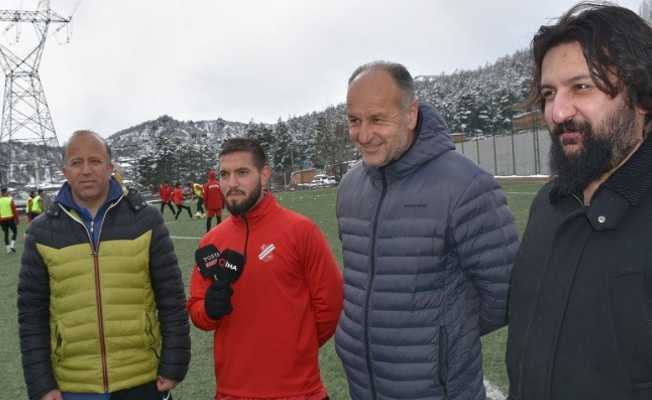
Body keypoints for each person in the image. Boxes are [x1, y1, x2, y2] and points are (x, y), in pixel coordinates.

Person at [335, 61, 518, 399]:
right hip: (364, 385)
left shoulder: (466, 185)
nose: (363, 134)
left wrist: (442, 340)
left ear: (411, 114)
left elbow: (506, 292)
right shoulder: (349, 188)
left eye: (377, 119)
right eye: (354, 120)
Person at [506, 4, 652, 399]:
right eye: (549, 93)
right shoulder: (547, 205)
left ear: (641, 98)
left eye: (582, 87)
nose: (557, 112)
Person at [17, 130, 191, 400]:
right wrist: (41, 384)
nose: (86, 170)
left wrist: (174, 363)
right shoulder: (41, 232)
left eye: (95, 161)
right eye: (76, 162)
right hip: (73, 386)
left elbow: (171, 298)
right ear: (64, 170)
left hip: (143, 379)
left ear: (110, 167)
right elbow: (32, 315)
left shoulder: (146, 220)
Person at [187, 137, 343, 399]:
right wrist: (209, 310)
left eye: (243, 172)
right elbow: (196, 310)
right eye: (225, 174)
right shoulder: (211, 242)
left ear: (265, 174)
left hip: (299, 392)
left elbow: (330, 303)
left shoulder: (300, 231)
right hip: (231, 393)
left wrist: (295, 347)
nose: (232, 183)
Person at [0, 186, 19, 253]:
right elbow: (14, 210)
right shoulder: (10, 199)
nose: (8, 193)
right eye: (7, 192)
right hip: (10, 219)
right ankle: (12, 245)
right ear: (5, 192)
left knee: (6, 233)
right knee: (15, 232)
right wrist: (17, 219)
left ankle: (8, 249)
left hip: (2, 220)